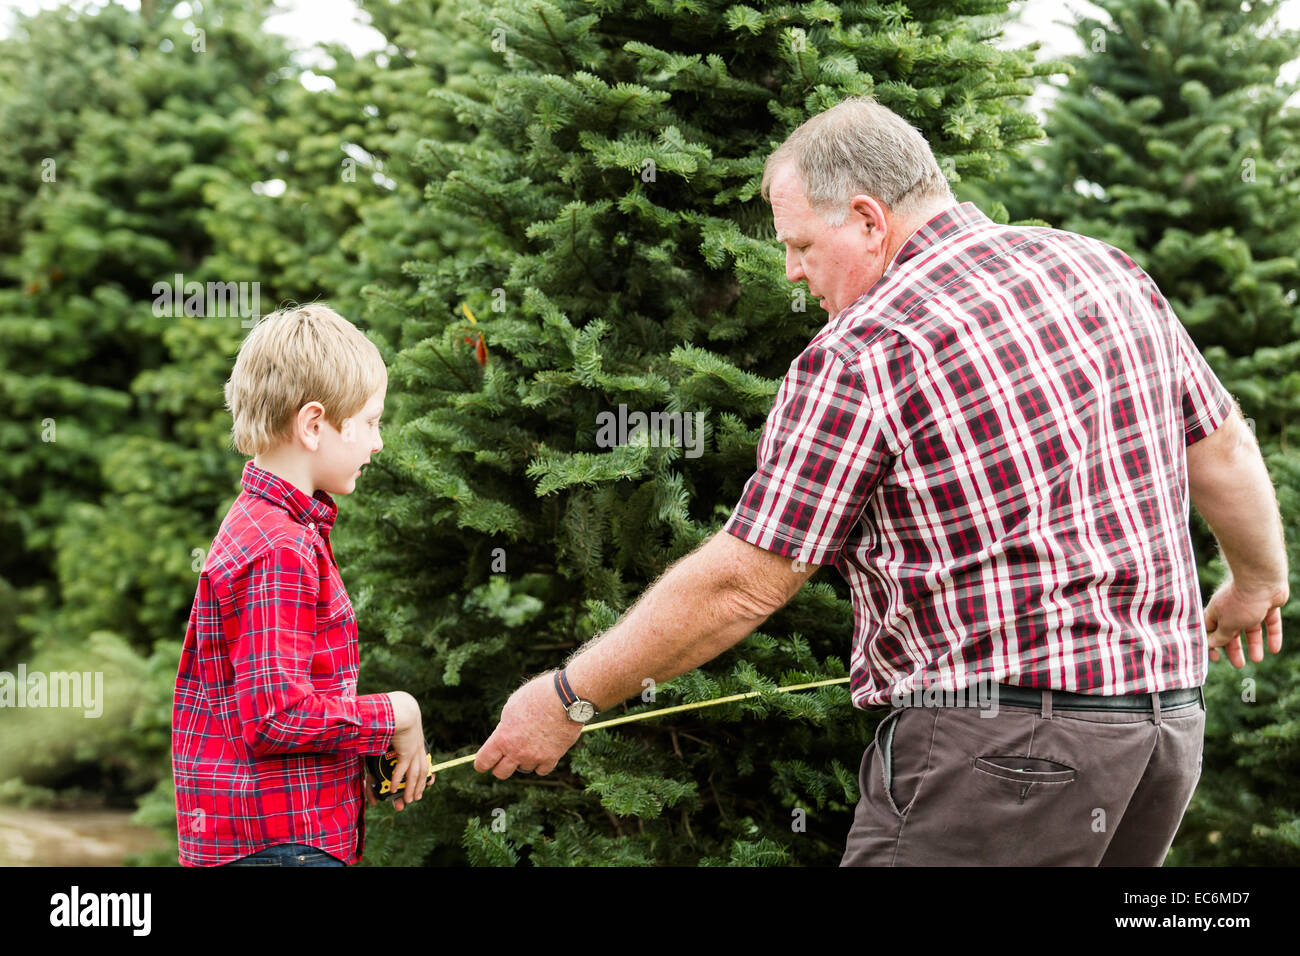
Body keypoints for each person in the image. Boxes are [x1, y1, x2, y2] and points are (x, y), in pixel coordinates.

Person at [473, 96, 1289, 865]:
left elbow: (743, 585)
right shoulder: (1103, 272)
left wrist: (569, 697)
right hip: (1163, 734)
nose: (791, 272)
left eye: (798, 245)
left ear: (868, 219)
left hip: (1002, 758)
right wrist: (1258, 581)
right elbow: (1221, 448)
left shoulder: (866, 349)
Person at [172, 303, 430, 867]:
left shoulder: (268, 523)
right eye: (369, 422)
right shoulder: (283, 546)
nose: (378, 443)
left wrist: (355, 751)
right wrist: (398, 713)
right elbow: (274, 716)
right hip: (281, 850)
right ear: (314, 425)